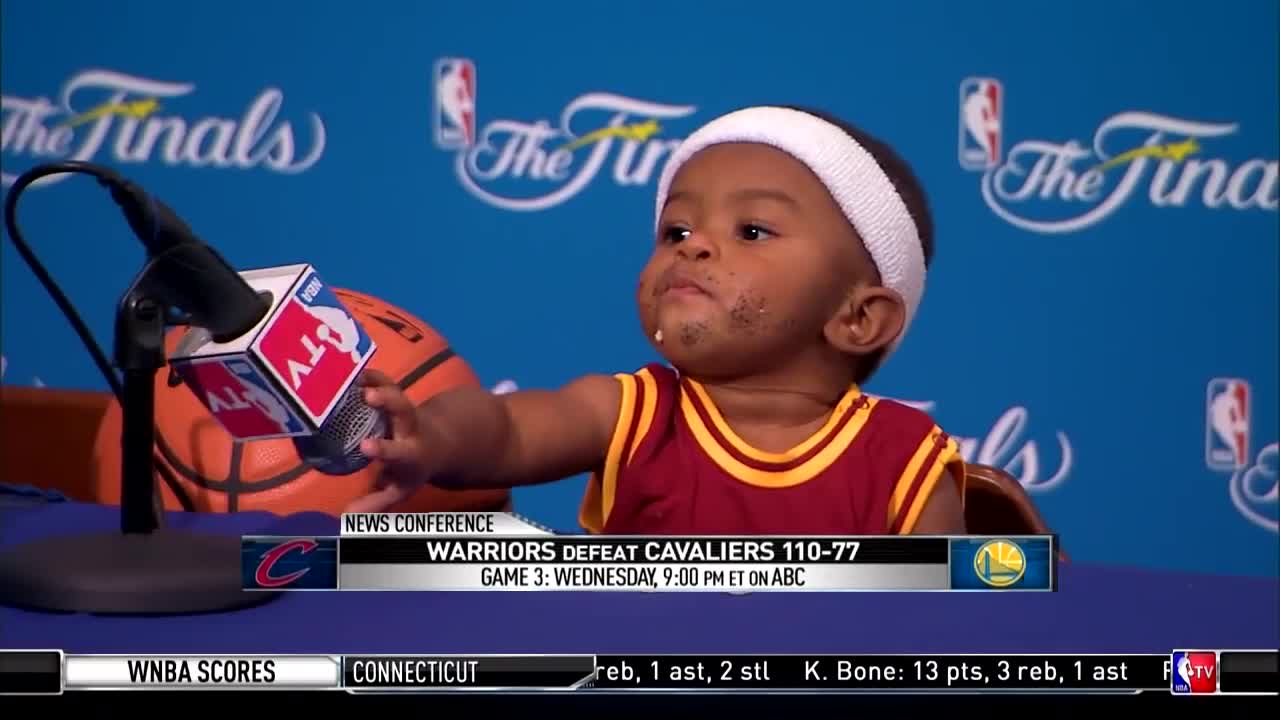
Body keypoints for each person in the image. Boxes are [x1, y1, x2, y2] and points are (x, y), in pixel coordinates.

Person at [347, 105, 967, 535]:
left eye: (752, 230)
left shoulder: (904, 459)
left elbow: (941, 633)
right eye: (677, 229)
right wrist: (432, 438)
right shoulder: (631, 415)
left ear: (857, 318)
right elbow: (506, 429)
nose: (692, 247)